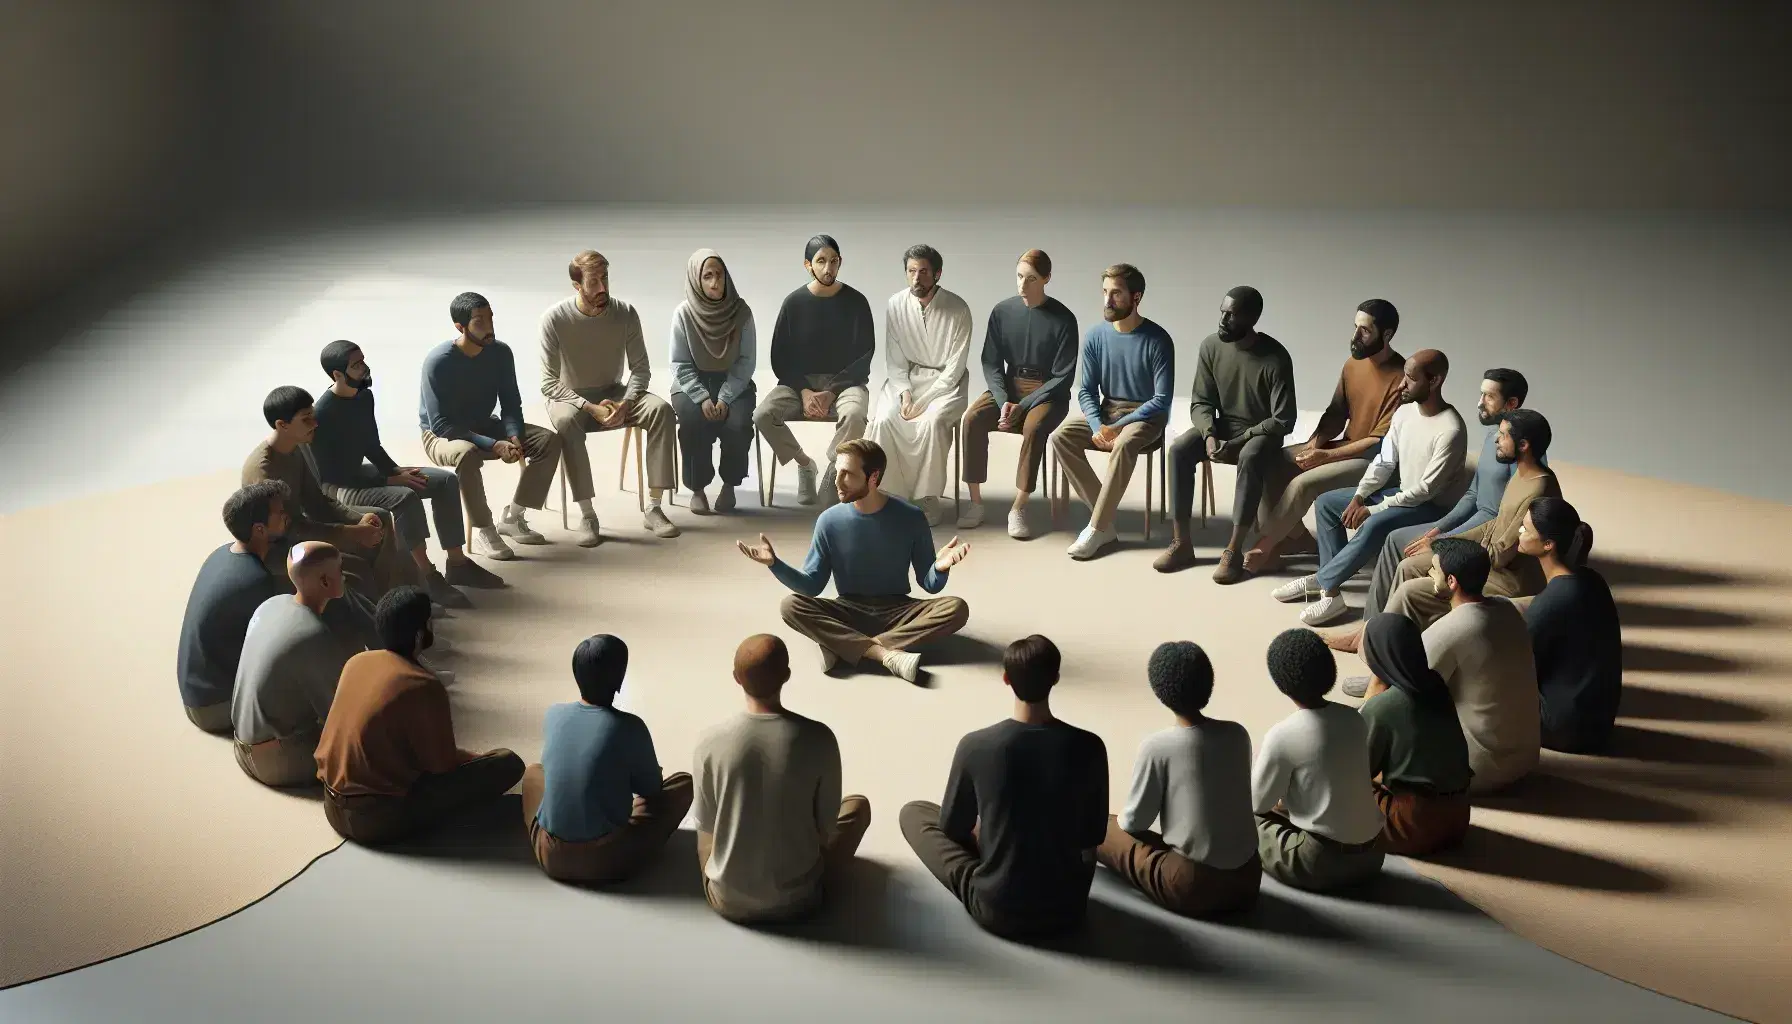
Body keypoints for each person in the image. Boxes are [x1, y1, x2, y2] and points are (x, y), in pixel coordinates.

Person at [901, 635, 1108, 938]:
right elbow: (1092, 836)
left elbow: (953, 828)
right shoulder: (1090, 746)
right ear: (1056, 679)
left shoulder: (976, 745)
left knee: (915, 813)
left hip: (999, 910)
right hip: (1068, 910)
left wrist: (986, 833)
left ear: (1006, 679)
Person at [1330, 368, 1533, 650]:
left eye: (1489, 396)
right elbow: (1473, 495)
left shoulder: (1524, 450)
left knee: (1404, 549)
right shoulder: (1494, 439)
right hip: (1471, 523)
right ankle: (1369, 628)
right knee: (1394, 540)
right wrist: (1438, 530)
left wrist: (1440, 542)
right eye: (1481, 394)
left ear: (1511, 404)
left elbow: (1502, 520)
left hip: (1485, 537)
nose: (1479, 402)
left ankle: (1376, 637)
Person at [739, 438, 970, 684]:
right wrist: (775, 564)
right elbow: (811, 586)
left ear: (873, 477)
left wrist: (939, 568)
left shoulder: (911, 518)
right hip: (847, 610)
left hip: (898, 610)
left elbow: (930, 584)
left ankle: (843, 645)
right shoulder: (828, 521)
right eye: (837, 472)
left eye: (847, 474)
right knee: (790, 606)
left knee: (956, 608)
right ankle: (885, 654)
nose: (837, 482)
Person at [315, 586, 525, 845]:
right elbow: (442, 766)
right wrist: (480, 761)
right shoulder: (422, 684)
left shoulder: (356, 662)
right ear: (419, 634)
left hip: (331, 805)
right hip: (377, 820)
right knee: (508, 763)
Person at [1272, 350, 1468, 626]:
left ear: (1434, 381)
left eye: (1410, 379)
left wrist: (1373, 508)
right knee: (1327, 503)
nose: (1402, 386)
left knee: (1374, 522)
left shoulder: (1450, 429)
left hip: (1427, 507)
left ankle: (1321, 580)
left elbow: (1426, 490)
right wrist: (1359, 496)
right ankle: (1332, 593)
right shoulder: (1404, 414)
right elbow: (1384, 461)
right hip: (1400, 494)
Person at [692, 634, 871, 925]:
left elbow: (706, 823)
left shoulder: (709, 742)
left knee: (706, 836)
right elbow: (825, 828)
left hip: (728, 901)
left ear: (736, 678)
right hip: (799, 901)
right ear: (787, 675)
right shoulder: (819, 738)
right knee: (857, 807)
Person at [311, 339, 494, 604]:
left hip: (363, 474)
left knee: (444, 481)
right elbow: (333, 474)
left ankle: (458, 564)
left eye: (363, 359)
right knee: (404, 497)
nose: (365, 367)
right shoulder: (323, 414)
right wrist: (388, 478)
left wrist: (395, 469)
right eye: (356, 364)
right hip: (339, 487)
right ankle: (426, 576)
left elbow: (372, 445)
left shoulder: (363, 396)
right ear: (337, 374)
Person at [1097, 641, 1260, 918]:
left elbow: (1135, 821)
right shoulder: (1237, 734)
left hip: (1193, 885)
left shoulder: (1158, 746)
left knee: (1102, 827)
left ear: (1160, 692)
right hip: (1248, 877)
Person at [1246, 301, 1407, 576]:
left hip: (1374, 462)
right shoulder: (1352, 365)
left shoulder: (1403, 376)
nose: (1355, 337)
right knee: (1270, 461)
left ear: (1387, 334)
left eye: (1365, 331)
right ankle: (1297, 538)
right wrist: (1315, 443)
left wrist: (1326, 456)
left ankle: (1266, 545)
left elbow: (1378, 442)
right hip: (1345, 447)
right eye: (1355, 327)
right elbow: (1336, 413)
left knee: (1304, 483)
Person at [520, 635, 694, 883]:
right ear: (619, 679)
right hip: (605, 861)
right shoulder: (630, 726)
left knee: (534, 772)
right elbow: (651, 790)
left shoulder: (554, 714)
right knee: (682, 784)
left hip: (550, 855)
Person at [1377, 408, 1561, 632]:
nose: (1496, 439)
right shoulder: (1521, 476)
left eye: (1503, 435)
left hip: (1507, 579)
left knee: (1413, 585)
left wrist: (1446, 550)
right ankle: (1383, 632)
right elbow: (1492, 526)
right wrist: (1441, 542)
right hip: (1487, 563)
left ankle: (1386, 639)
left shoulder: (1539, 488)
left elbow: (1501, 555)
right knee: (1408, 566)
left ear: (1523, 445)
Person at [1157, 286, 1297, 581]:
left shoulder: (1276, 357)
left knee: (1251, 453)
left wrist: (1237, 440)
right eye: (1222, 311)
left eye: (1231, 315)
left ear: (1251, 318)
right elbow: (1201, 402)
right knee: (1180, 449)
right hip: (1225, 427)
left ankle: (1233, 550)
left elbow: (1283, 419)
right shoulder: (1211, 347)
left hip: (1262, 434)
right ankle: (1181, 543)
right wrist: (1209, 434)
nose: (1223, 319)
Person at [541, 250, 682, 542]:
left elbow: (641, 369)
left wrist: (626, 402)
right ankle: (587, 515)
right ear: (576, 286)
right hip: (571, 397)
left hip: (615, 393)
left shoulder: (625, 313)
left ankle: (654, 508)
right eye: (594, 282)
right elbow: (548, 382)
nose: (603, 288)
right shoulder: (555, 319)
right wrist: (588, 406)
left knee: (661, 410)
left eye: (605, 279)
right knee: (566, 422)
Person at [420, 291, 563, 561]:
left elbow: (511, 403)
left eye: (490, 318)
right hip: (443, 435)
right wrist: (493, 444)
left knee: (549, 440)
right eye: (479, 321)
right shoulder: (439, 362)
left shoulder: (500, 352)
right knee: (467, 453)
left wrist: (513, 436)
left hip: (487, 426)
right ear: (460, 327)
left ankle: (513, 516)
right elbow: (441, 424)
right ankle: (484, 529)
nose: (489, 327)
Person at [1048, 263, 1174, 560]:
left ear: (1136, 297)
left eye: (1116, 293)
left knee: (1126, 442)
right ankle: (1105, 521)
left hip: (1145, 415)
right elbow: (1086, 391)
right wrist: (1096, 426)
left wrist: (1119, 427)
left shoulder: (1158, 339)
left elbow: (1162, 399)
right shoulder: (1095, 337)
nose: (1107, 300)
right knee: (1061, 436)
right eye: (1105, 292)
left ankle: (1095, 528)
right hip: (1108, 412)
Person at [1253, 629, 1386, 892]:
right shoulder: (1355, 720)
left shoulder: (1283, 734)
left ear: (1282, 684)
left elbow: (1258, 803)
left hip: (1320, 863)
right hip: (1374, 855)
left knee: (1245, 818)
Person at [958, 249, 1078, 537]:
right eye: (1019, 277)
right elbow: (990, 361)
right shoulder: (1002, 311)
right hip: (1008, 387)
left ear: (1047, 278)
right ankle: (975, 502)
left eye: (1032, 278)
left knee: (1034, 428)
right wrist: (1003, 401)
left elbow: (1063, 377)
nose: (1023, 285)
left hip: (1047, 392)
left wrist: (1022, 406)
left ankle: (1019, 507)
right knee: (971, 418)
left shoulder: (1064, 319)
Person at [244, 385, 404, 598]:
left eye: (313, 416)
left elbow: (316, 501)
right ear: (282, 425)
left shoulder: (296, 447)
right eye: (306, 419)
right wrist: (350, 532)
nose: (315, 424)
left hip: (300, 533)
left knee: (379, 519)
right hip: (278, 549)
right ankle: (377, 614)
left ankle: (394, 598)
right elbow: (286, 530)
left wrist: (359, 519)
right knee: (356, 569)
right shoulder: (263, 470)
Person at [752, 234, 875, 508]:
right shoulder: (794, 303)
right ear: (808, 265)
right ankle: (805, 464)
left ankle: (834, 469)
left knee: (856, 414)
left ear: (840, 262)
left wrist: (831, 392)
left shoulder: (856, 302)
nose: (828, 268)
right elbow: (780, 358)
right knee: (763, 414)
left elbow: (865, 356)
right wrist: (805, 391)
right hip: (799, 386)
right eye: (821, 261)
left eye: (834, 261)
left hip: (846, 385)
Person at [231, 542, 360, 787]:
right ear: (324, 582)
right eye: (340, 570)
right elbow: (338, 715)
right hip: (274, 761)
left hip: (241, 742)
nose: (344, 576)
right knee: (368, 742)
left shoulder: (270, 605)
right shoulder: (312, 633)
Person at [1420, 539, 1540, 793]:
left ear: (1451, 581)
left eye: (1433, 569)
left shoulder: (1452, 627)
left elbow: (1408, 688)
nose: (1428, 573)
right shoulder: (1508, 609)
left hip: (1480, 769)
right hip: (1526, 758)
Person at [865, 244, 973, 526]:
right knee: (884, 419)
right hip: (906, 380)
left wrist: (923, 403)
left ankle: (927, 498)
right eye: (911, 271)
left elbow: (956, 366)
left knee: (932, 422)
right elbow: (895, 359)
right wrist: (904, 395)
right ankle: (888, 493)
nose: (916, 278)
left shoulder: (958, 308)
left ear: (937, 274)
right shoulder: (895, 304)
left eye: (923, 272)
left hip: (946, 384)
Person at [177, 482, 293, 732]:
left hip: (194, 689)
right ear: (260, 529)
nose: (286, 516)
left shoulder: (221, 553)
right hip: (214, 706)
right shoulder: (255, 580)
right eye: (279, 513)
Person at [1355, 615, 1473, 856]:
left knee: (1333, 786)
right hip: (1460, 815)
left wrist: (1372, 696)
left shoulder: (1383, 707)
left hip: (1413, 825)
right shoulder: (1438, 686)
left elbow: (1353, 771)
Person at [1519, 497, 1622, 753]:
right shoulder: (1593, 580)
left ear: (1547, 544)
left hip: (1565, 730)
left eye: (1526, 529)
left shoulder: (1550, 603)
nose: (1520, 532)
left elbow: (1520, 668)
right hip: (1598, 724)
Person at [669, 249, 758, 514]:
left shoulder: (741, 312)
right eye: (707, 276)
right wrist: (702, 397)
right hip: (692, 381)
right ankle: (697, 488)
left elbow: (746, 361)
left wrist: (726, 396)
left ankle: (729, 485)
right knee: (693, 420)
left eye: (719, 275)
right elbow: (680, 363)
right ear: (697, 280)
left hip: (734, 380)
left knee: (739, 422)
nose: (715, 282)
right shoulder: (684, 314)